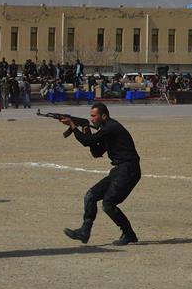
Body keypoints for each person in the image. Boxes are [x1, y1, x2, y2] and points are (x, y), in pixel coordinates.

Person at [60, 102, 141, 245]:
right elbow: (96, 152)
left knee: (108, 203)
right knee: (90, 196)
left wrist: (73, 126)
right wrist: (86, 131)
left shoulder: (111, 128)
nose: (92, 119)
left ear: (103, 116)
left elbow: (87, 142)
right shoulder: (106, 129)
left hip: (129, 170)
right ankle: (85, 231)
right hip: (119, 170)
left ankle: (129, 234)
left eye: (94, 116)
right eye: (90, 116)